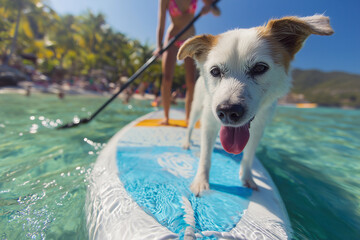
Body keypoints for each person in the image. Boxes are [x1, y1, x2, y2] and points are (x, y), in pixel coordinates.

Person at [155, 0, 220, 125]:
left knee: (191, 82)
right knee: (167, 79)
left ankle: (188, 118)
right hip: (172, 39)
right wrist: (159, 46)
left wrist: (209, 8)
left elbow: (217, 12)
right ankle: (166, 118)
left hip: (189, 40)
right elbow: (161, 24)